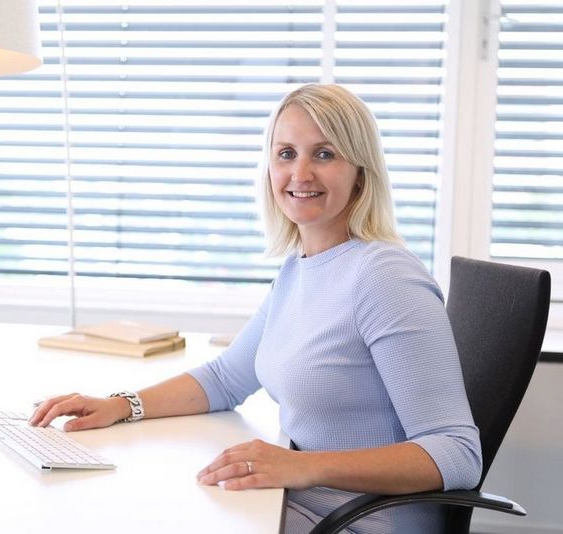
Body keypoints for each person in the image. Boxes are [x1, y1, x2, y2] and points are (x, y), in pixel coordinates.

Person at [30, 83, 482, 534]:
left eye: (324, 154)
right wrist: (121, 405)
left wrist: (305, 467)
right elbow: (227, 377)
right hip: (300, 504)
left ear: (360, 173)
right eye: (286, 153)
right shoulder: (300, 267)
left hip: (359, 521)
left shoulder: (385, 277)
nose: (300, 173)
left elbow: (457, 452)